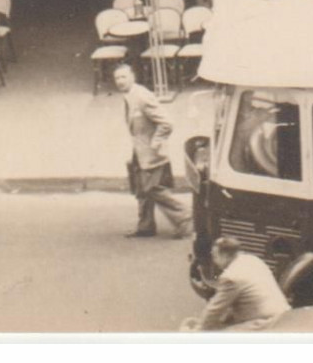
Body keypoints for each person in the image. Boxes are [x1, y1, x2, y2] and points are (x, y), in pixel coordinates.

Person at [115, 64, 193, 238]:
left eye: (123, 77)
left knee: (152, 188)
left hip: (152, 152)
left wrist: (156, 142)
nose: (120, 81)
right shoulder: (129, 97)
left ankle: (184, 216)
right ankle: (145, 226)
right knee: (141, 188)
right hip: (140, 151)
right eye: (117, 78)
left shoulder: (142, 96)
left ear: (132, 77)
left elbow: (166, 122)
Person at [181, 237, 292, 332]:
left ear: (224, 255)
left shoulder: (231, 277)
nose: (214, 261)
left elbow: (215, 309)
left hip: (264, 323)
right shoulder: (252, 260)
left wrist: (200, 329)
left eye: (215, 257)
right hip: (282, 315)